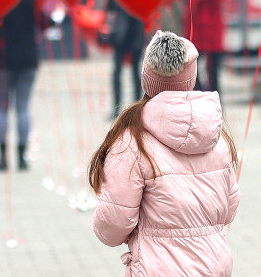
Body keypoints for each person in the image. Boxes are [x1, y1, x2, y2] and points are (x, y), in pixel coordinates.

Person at [89, 31, 240, 276]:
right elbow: (230, 206)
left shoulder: (132, 140)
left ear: (147, 79)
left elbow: (113, 223)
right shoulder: (216, 135)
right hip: (214, 266)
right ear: (191, 79)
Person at [0, 0, 44, 172]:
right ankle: (22, 157)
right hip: (27, 59)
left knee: (1, 108)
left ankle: (2, 157)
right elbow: (44, 23)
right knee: (22, 108)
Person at [105, 0, 146, 118]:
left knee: (135, 72)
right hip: (120, 35)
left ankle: (137, 108)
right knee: (117, 72)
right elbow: (110, 8)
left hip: (135, 34)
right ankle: (117, 106)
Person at [188, 0, 227, 93]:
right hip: (199, 29)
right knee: (193, 69)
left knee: (212, 71)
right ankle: (204, 94)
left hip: (209, 30)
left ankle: (210, 95)